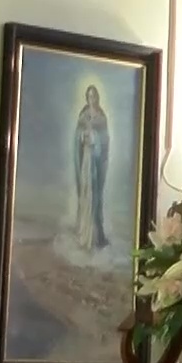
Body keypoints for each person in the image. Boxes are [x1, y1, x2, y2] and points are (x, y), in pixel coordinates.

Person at [72, 85, 112, 252]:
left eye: (94, 96)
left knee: (94, 195)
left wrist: (94, 138)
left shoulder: (101, 118)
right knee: (85, 194)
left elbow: (105, 141)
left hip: (95, 163)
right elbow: (76, 138)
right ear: (86, 98)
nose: (92, 99)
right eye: (89, 96)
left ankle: (94, 236)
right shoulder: (83, 116)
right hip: (85, 161)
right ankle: (83, 234)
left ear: (98, 98)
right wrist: (83, 137)